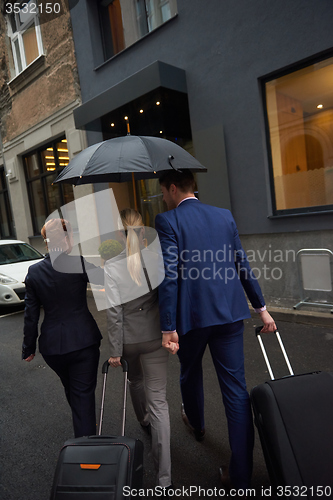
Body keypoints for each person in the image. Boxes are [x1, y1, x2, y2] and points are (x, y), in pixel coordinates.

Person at [155, 170, 276, 491]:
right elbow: (242, 264)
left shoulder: (167, 221)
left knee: (189, 372)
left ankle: (197, 425)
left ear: (171, 188)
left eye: (164, 193)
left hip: (192, 317)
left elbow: (169, 276)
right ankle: (241, 479)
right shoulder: (224, 216)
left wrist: (167, 326)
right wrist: (261, 309)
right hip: (229, 313)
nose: (164, 199)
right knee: (236, 392)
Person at [105, 208, 176, 489]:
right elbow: (169, 296)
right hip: (156, 336)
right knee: (160, 401)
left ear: (121, 235)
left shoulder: (111, 266)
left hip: (130, 340)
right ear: (142, 232)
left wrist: (114, 350)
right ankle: (165, 479)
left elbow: (113, 313)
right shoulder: (156, 260)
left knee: (135, 380)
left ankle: (143, 419)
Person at [22, 218, 104, 438]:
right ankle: (87, 456)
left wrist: (28, 348)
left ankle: (83, 425)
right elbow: (105, 279)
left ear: (47, 243)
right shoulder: (78, 262)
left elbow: (31, 315)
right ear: (66, 239)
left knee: (74, 390)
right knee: (82, 394)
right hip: (83, 342)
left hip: (53, 348)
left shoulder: (34, 272)